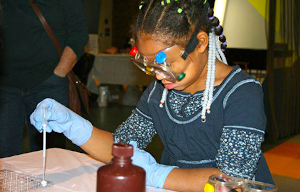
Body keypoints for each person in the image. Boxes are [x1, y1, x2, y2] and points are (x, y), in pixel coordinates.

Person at [30, 0, 274, 191]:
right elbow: (122, 148)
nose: (158, 76)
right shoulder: (161, 92)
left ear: (199, 43)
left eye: (165, 63)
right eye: (149, 66)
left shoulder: (242, 93)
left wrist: (158, 174)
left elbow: (232, 181)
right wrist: (73, 125)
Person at [0, 0, 88, 157]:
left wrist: (59, 73)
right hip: (6, 85)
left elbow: (79, 34)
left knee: (48, 156)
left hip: (48, 83)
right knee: (4, 153)